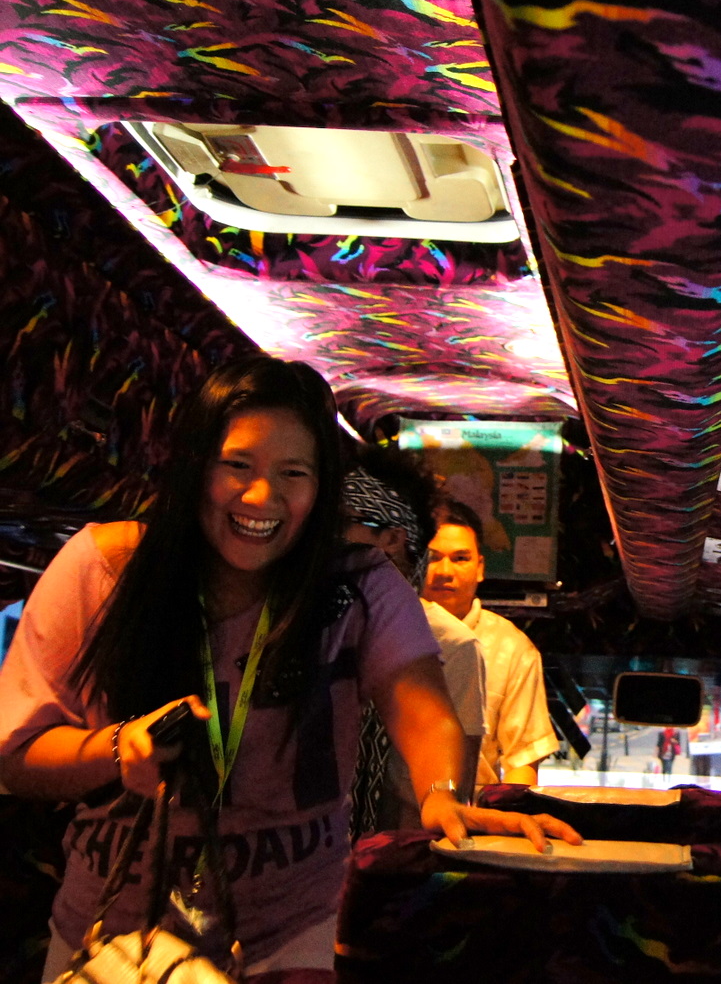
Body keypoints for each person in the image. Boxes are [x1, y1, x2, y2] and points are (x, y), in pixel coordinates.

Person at [0, 356, 579, 981]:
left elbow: (421, 704)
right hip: (113, 942)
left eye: (293, 473)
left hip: (290, 934)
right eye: (237, 465)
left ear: (322, 487)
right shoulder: (104, 568)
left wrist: (443, 796)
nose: (262, 496)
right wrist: (116, 749)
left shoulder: (360, 587)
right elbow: (16, 755)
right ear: (195, 463)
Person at [341, 449, 486, 831]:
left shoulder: (450, 643)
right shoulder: (314, 625)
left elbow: (451, 782)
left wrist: (441, 798)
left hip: (396, 848)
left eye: (342, 522)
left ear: (391, 538)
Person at [422, 501, 559, 786]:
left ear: (480, 568)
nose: (444, 571)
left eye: (460, 558)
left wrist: (504, 812)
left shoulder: (512, 649)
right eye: (432, 557)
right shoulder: (384, 631)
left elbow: (523, 760)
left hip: (471, 809)